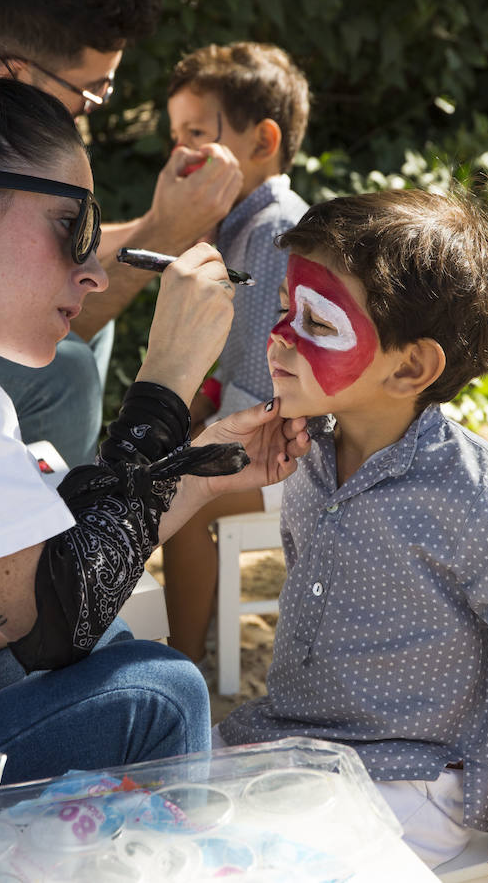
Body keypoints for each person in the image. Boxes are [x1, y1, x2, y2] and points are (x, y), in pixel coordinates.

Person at [0, 8, 308, 871]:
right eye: (73, 227)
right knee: (158, 689)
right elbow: (51, 620)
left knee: (111, 644)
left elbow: (37, 562)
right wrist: (164, 384)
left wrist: (198, 463)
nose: (95, 270)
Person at [213, 188, 488, 870]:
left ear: (410, 367)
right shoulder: (302, 448)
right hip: (284, 750)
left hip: (407, 781)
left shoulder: (476, 499)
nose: (279, 336)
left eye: (317, 323)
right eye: (286, 309)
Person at [0, 0, 244, 465]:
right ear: (11, 68)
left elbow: (45, 245)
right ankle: (65, 534)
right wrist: (166, 233)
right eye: (90, 90)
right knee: (65, 371)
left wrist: (162, 219)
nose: (91, 107)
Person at [161, 41, 310, 663]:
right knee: (170, 465)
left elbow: (277, 367)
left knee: (185, 496)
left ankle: (182, 662)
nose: (181, 151)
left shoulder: (277, 231)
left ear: (262, 140)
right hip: (260, 421)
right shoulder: (241, 223)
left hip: (296, 442)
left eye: (197, 131)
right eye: (176, 134)